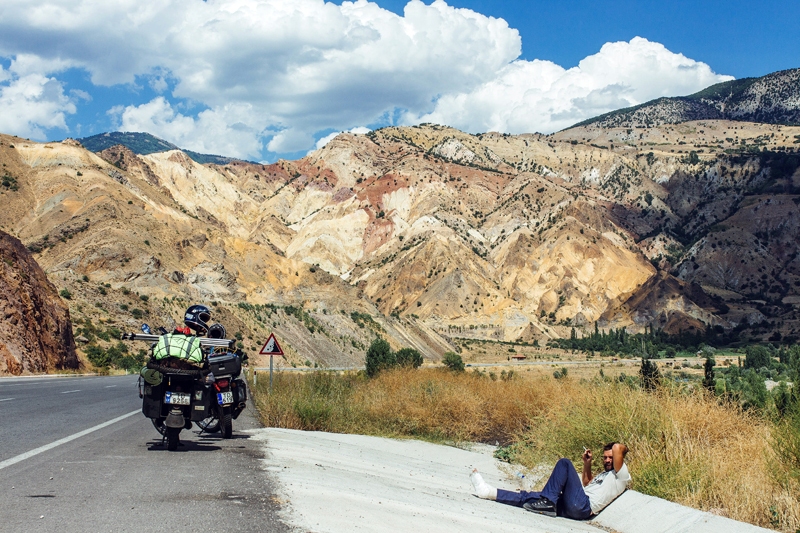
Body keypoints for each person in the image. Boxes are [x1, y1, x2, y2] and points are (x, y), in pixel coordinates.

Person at [470, 442, 630, 520]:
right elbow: (587, 483)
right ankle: (488, 492)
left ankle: (548, 501)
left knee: (565, 463)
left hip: (583, 507)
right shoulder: (605, 474)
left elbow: (617, 447)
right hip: (574, 506)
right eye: (605, 457)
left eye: (611, 457)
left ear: (618, 459)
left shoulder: (621, 475)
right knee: (530, 497)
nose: (608, 460)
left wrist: (621, 451)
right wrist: (587, 464)